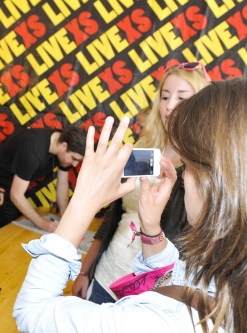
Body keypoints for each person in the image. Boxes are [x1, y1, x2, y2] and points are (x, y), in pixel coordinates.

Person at [14, 75, 247, 332]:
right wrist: (152, 227)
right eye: (165, 96)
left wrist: (82, 203)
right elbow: (182, 279)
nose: (184, 177)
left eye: (193, 166)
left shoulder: (159, 322)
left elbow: (32, 311)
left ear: (229, 190)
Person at [72, 62, 209, 304]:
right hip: (107, 276)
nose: (169, 105)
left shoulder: (202, 167)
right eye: (165, 96)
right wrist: (86, 271)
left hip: (149, 296)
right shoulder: (143, 148)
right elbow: (115, 215)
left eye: (182, 96)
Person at [0, 127, 86, 236]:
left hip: (14, 183)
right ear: (64, 146)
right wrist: (42, 223)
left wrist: (65, 219)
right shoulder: (33, 151)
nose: (75, 164)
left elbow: (62, 185)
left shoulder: (62, 144)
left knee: (12, 227)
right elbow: (16, 195)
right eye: (74, 158)